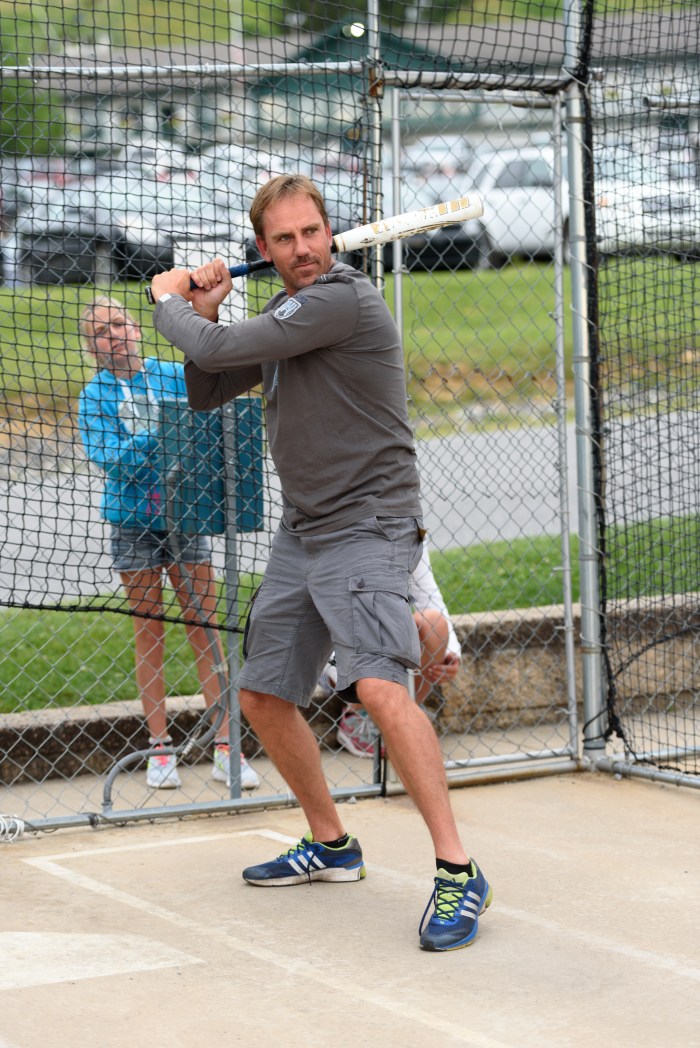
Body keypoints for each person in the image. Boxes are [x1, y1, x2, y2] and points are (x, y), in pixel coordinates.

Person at [149, 174, 491, 951]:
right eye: (285, 238)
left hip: (369, 526)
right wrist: (206, 313)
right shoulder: (286, 313)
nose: (302, 248)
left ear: (328, 234)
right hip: (306, 532)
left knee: (378, 686)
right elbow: (210, 384)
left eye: (312, 232)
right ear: (263, 248)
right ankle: (333, 845)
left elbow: (212, 348)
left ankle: (458, 869)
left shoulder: (342, 300)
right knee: (265, 695)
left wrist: (170, 303)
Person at [77, 294, 259, 792]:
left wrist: (170, 437)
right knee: (150, 633)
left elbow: (205, 428)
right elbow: (110, 458)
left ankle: (227, 745)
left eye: (119, 324)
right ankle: (159, 749)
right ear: (90, 348)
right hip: (132, 524)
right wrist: (162, 434)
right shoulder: (94, 397)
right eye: (100, 333)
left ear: (136, 328)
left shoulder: (172, 374)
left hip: (187, 515)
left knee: (206, 629)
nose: (113, 336)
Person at [332, 537, 462, 757]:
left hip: (387, 633)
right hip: (340, 641)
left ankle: (401, 717)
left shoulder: (407, 526)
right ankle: (358, 718)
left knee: (434, 623)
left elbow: (428, 594)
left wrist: (451, 653)